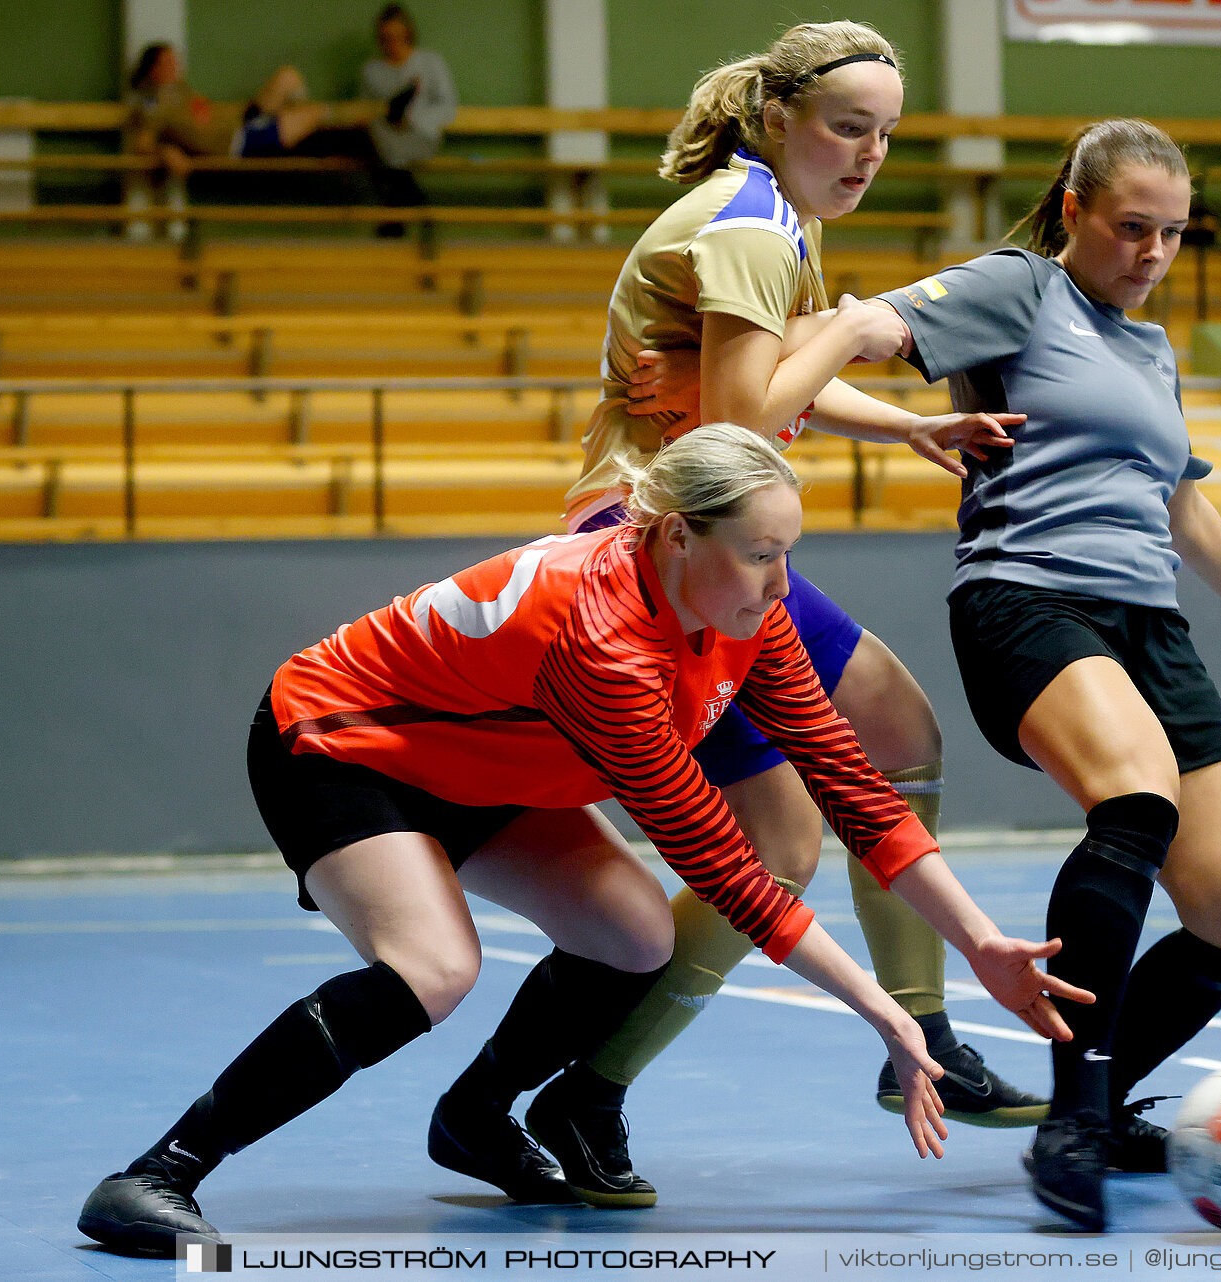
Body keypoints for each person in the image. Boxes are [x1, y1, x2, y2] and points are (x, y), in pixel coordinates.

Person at [75, 424, 1089, 1257]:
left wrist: (980, 941)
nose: (782, 585)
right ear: (679, 537)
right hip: (345, 742)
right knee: (434, 966)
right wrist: (884, 1013)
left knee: (633, 935)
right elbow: (725, 866)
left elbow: (854, 788)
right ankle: (158, 1171)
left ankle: (476, 1116)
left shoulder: (745, 615)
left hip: (486, 766)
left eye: (791, 554)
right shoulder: (601, 640)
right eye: (761, 553)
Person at [480, 20, 1035, 1209]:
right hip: (654, 555)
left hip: (697, 539)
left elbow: (762, 375)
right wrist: (850, 325)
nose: (870, 151)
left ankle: (923, 1032)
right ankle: (586, 1088)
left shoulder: (770, 218)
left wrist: (905, 423)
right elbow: (740, 422)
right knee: (782, 844)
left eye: (887, 133)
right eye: (848, 126)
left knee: (899, 731)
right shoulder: (750, 224)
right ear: (777, 118)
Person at [869, 119, 1221, 1229]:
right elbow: (864, 329)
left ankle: (1105, 1094)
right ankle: (1072, 1120)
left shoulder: (1150, 346)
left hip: (1149, 625)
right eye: (1133, 227)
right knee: (1134, 803)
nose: (1154, 250)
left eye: (1173, 233)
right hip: (1025, 599)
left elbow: (1179, 496)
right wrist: (772, 360)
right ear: (1073, 211)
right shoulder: (1019, 290)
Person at [125, 42, 333, 178]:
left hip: (243, 118)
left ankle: (303, 131)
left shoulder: (181, 90)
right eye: (168, 62)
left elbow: (205, 112)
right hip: (236, 142)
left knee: (289, 76)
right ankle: (326, 140)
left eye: (175, 60)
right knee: (316, 112)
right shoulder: (153, 105)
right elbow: (141, 143)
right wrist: (166, 152)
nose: (175, 66)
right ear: (153, 69)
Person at [358, 4, 458, 211]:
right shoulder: (371, 71)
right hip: (383, 140)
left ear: (408, 34)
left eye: (398, 36)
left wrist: (411, 120)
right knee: (375, 133)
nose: (393, 43)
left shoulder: (431, 63)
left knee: (388, 163)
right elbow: (364, 111)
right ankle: (413, 200)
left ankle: (396, 213)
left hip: (420, 137)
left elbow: (448, 105)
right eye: (386, 38)